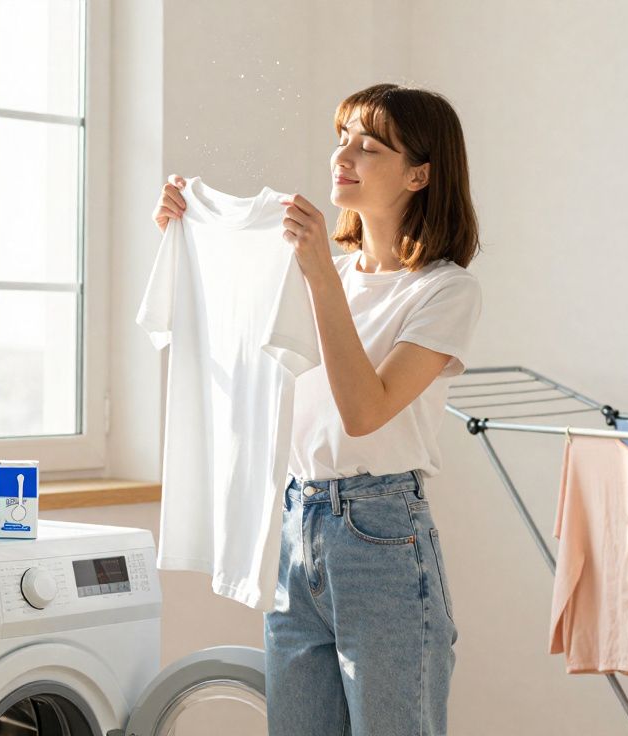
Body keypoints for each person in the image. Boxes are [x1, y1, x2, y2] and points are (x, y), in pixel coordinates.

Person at [152, 83, 482, 735]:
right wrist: (183, 239)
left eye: (369, 144)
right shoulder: (308, 270)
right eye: (341, 137)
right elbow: (230, 357)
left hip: (382, 535)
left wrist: (321, 278)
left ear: (420, 173)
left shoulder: (446, 291)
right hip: (295, 526)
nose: (344, 154)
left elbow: (365, 410)